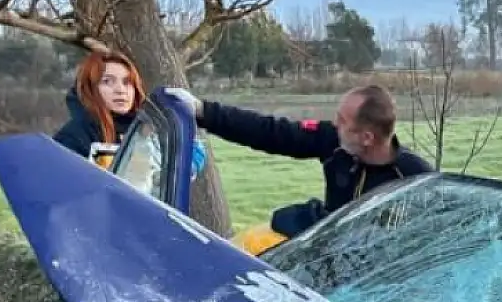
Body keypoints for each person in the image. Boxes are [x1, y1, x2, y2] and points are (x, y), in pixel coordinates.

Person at [165, 84, 431, 250]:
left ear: (367, 138)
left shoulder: (417, 179)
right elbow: (272, 132)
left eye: (343, 121)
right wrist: (203, 111)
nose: (335, 124)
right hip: (321, 251)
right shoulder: (333, 141)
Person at [52, 50, 146, 169]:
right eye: (108, 81)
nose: (120, 90)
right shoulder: (74, 135)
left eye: (127, 82)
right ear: (90, 88)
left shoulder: (150, 131)